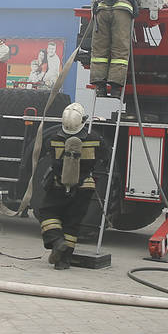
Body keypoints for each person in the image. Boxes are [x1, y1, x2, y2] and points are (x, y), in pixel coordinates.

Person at [33, 102, 106, 269]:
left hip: (59, 184)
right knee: (73, 223)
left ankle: (57, 240)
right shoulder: (95, 139)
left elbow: (50, 158)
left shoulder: (54, 140)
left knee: (47, 212)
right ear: (83, 121)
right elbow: (104, 157)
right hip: (85, 187)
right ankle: (63, 262)